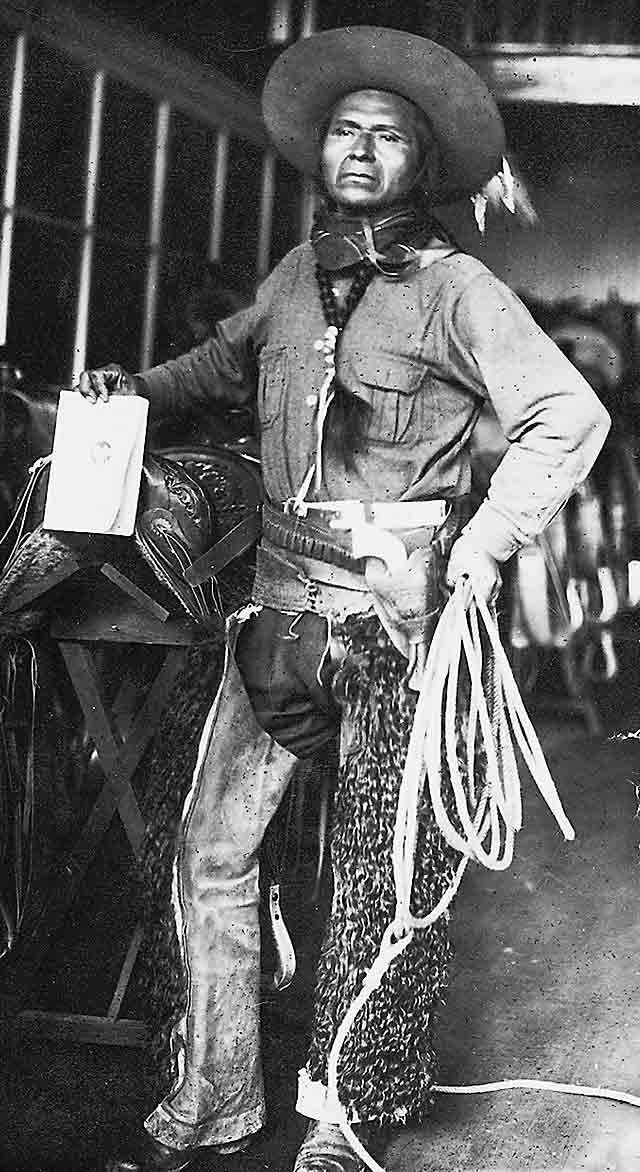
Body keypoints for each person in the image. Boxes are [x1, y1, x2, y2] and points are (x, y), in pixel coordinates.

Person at [78, 27, 610, 1172]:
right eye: (346, 131)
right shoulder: (291, 274)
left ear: (422, 163)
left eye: (389, 136)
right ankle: (208, 1097)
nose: (362, 150)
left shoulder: (459, 289)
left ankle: (339, 1110)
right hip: (275, 602)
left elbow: (565, 416)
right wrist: (135, 389)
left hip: (395, 614)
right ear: (320, 151)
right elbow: (220, 365)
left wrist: (479, 544)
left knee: (380, 863)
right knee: (209, 847)